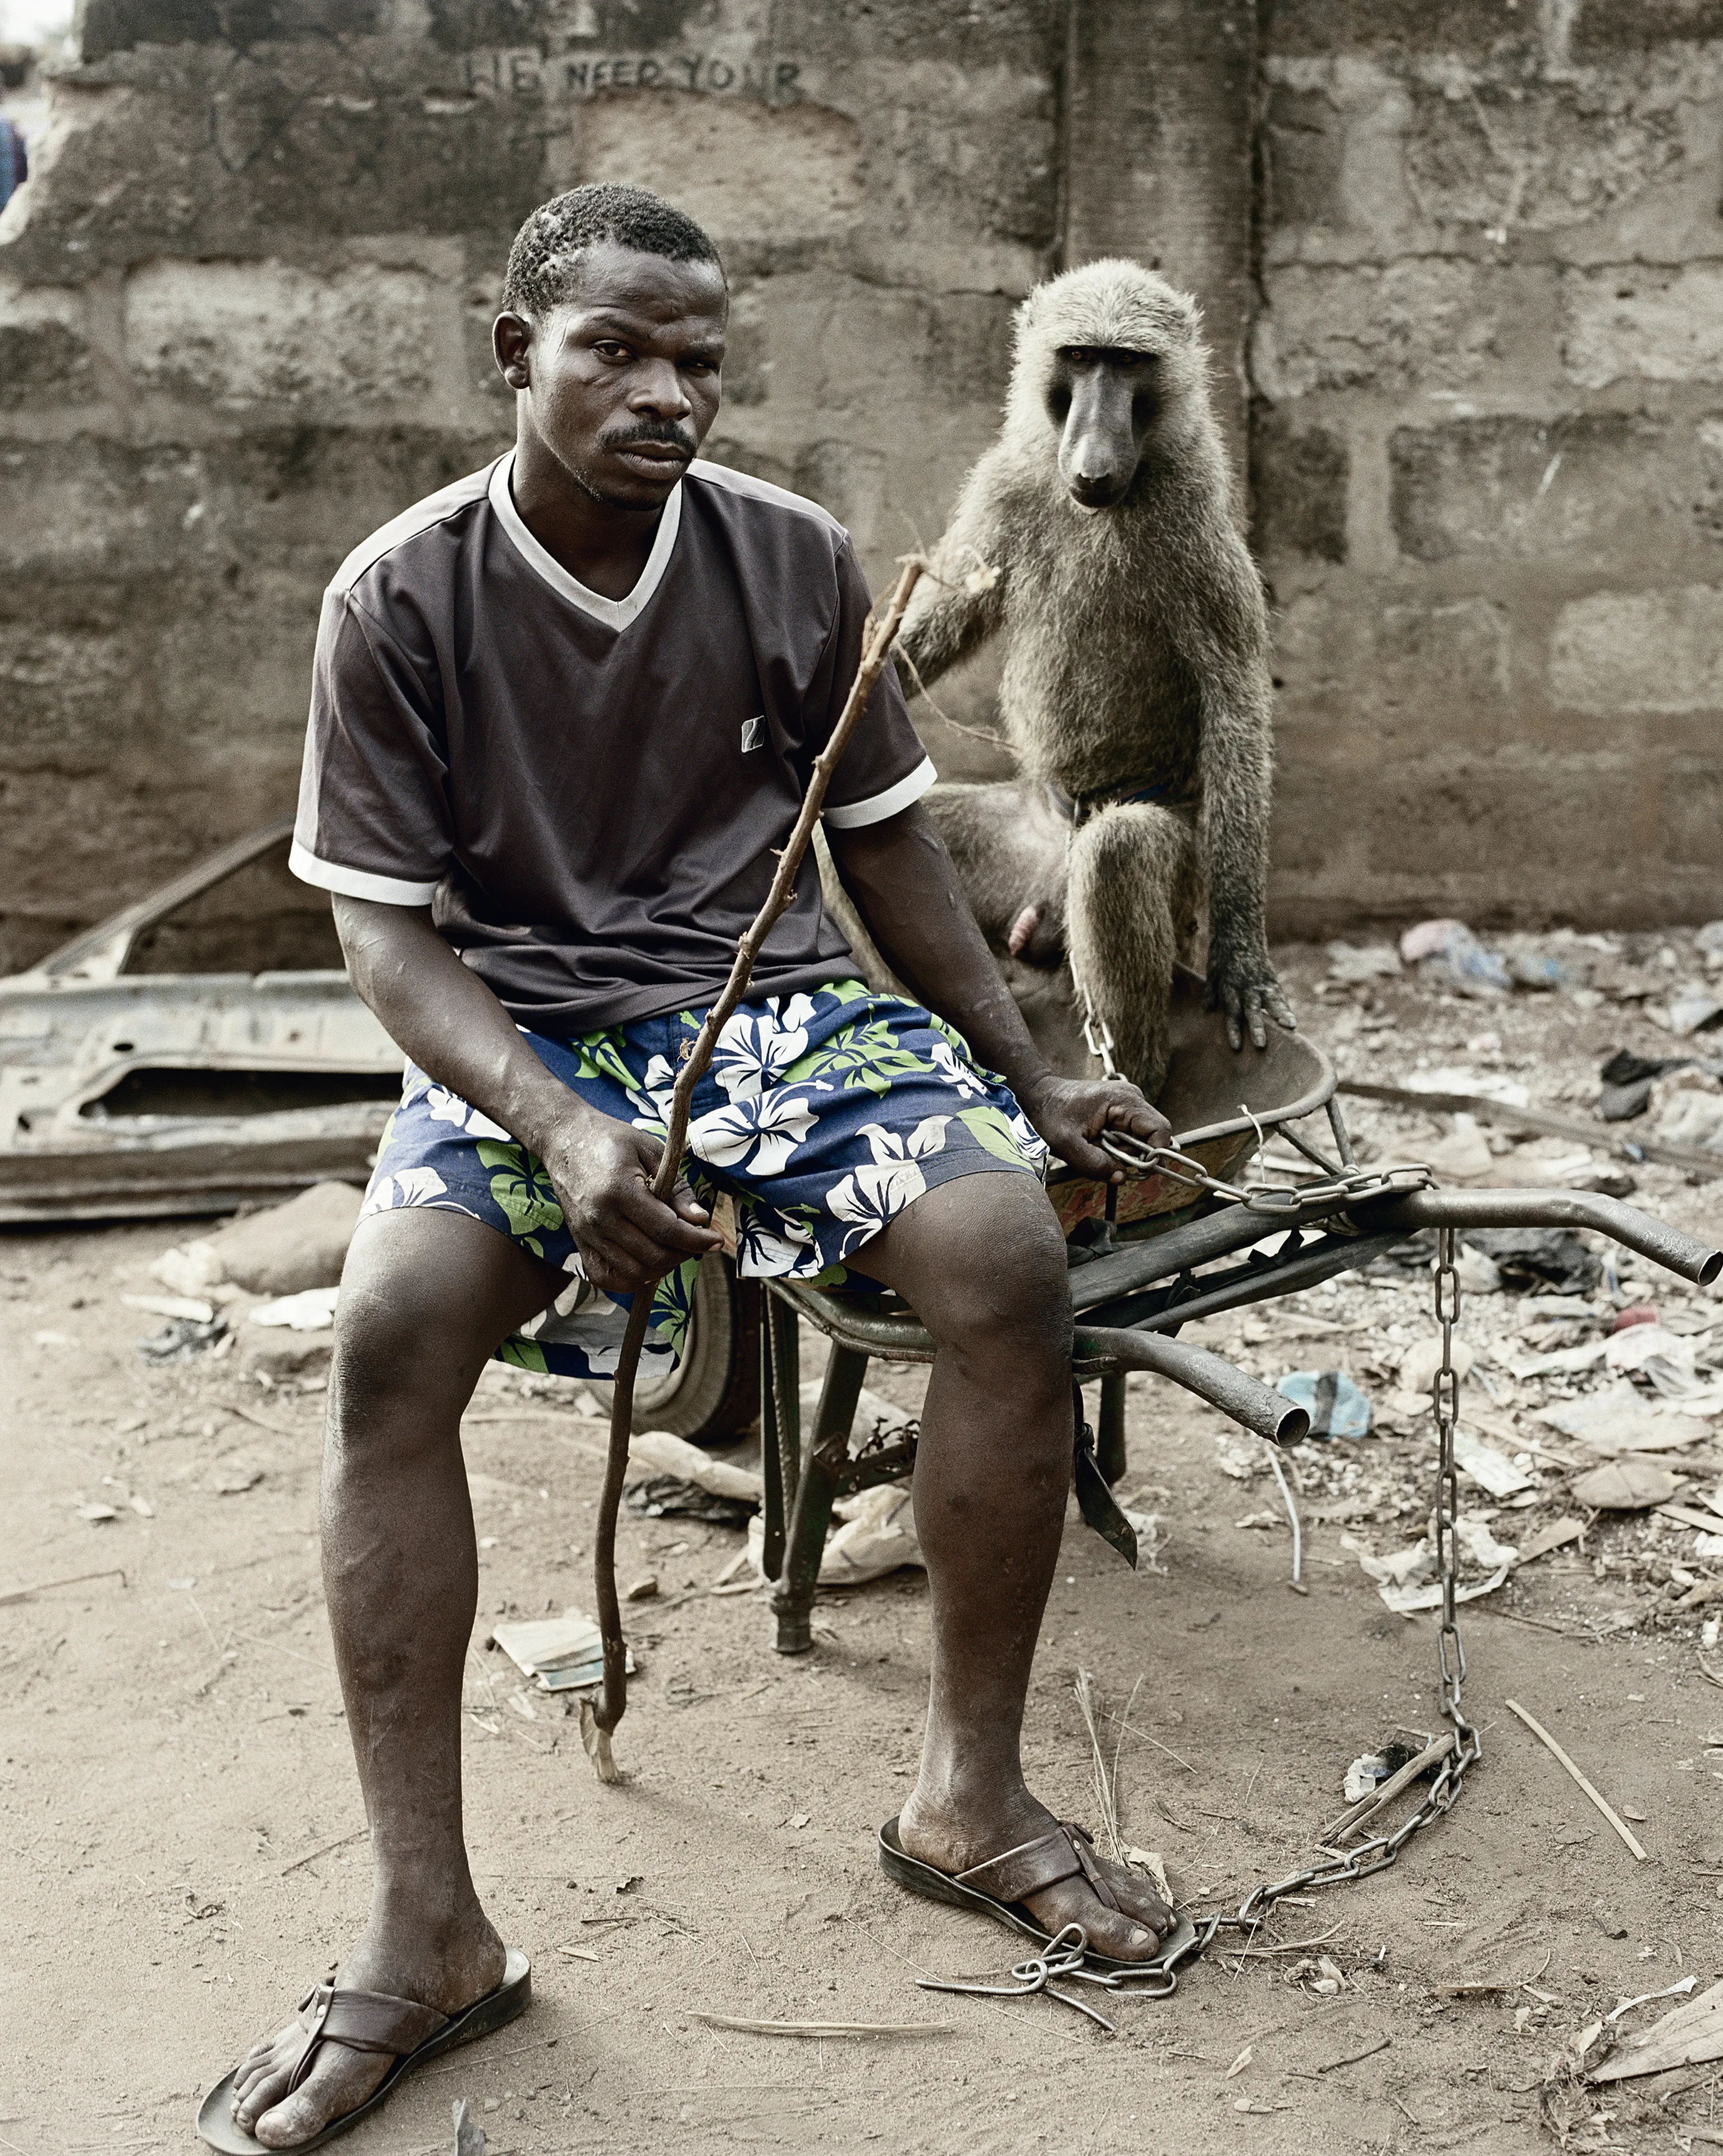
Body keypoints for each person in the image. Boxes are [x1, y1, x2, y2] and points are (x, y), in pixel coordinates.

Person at [204, 183, 1175, 2152]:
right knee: (390, 1340)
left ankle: (966, 1799)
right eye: (620, 354)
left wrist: (1032, 1071)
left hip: (779, 1020)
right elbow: (389, 939)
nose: (670, 395)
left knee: (1004, 1258)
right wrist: (557, 1126)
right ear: (519, 359)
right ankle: (429, 1928)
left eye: (700, 365)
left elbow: (893, 847)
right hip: (521, 1032)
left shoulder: (798, 561)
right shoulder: (397, 597)